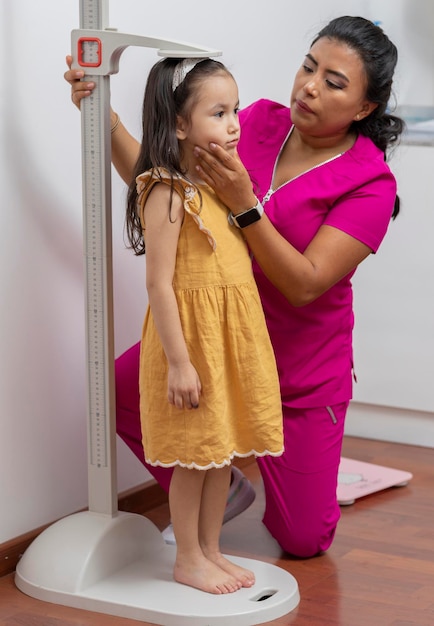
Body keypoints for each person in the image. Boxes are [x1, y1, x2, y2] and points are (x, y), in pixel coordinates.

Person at [65, 15, 404, 559]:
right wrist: (100, 119)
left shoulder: (370, 183)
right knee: (124, 390)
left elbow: (305, 285)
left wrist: (245, 203)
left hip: (300, 371)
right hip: (214, 342)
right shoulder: (258, 122)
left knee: (304, 540)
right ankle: (218, 490)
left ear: (365, 108)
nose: (310, 86)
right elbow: (167, 189)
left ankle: (272, 468)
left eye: (334, 82)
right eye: (308, 66)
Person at [117, 56, 284, 595]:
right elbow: (159, 285)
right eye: (219, 112)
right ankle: (188, 556)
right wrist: (181, 363)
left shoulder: (218, 183)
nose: (234, 123)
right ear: (181, 125)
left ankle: (211, 549)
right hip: (191, 348)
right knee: (193, 459)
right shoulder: (166, 190)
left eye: (235, 109)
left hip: (224, 345)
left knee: (219, 453)